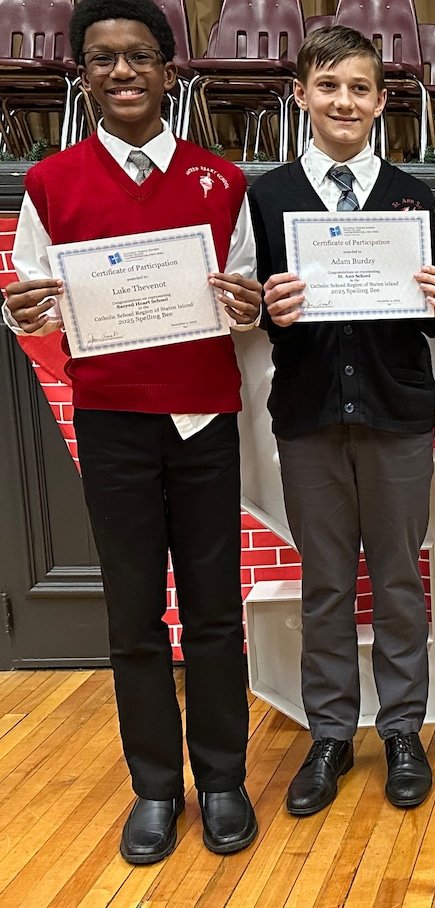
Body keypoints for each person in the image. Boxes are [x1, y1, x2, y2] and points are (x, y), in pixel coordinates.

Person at [2, 0, 262, 864]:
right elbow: (33, 301)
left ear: (168, 70)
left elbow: (247, 299)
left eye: (139, 57)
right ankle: (156, 788)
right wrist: (24, 312)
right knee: (134, 615)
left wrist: (249, 307)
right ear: (82, 72)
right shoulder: (50, 182)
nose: (122, 73)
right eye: (104, 59)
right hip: (111, 417)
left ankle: (222, 778)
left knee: (217, 610)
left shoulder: (221, 181)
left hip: (200, 419)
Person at [249, 26, 435, 815]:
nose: (345, 101)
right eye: (328, 85)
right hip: (308, 417)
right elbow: (252, 310)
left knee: (400, 580)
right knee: (326, 584)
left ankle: (403, 728)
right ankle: (330, 732)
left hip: (397, 413)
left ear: (380, 100)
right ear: (301, 94)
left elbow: (428, 318)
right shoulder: (266, 198)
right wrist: (266, 307)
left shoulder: (412, 196)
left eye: (360, 87)